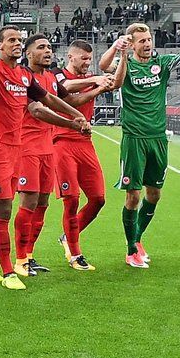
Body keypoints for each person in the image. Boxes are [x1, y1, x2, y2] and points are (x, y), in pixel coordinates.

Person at [0, 30, 93, 282]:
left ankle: (9, 260)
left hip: (37, 148)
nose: (48, 51)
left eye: (50, 46)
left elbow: (53, 98)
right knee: (8, 207)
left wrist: (77, 114)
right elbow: (38, 109)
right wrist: (73, 122)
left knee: (34, 205)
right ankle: (14, 264)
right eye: (41, 47)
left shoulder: (36, 77)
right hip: (15, 148)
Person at [109, 20, 180, 268]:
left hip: (158, 138)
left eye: (149, 40)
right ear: (132, 44)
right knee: (133, 196)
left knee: (154, 194)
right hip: (134, 138)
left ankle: (137, 238)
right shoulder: (124, 65)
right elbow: (108, 71)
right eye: (142, 41)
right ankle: (130, 249)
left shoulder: (163, 64)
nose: (147, 44)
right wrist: (119, 53)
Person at [54, 39, 120, 269]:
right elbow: (68, 95)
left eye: (89, 60)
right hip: (61, 141)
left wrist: (123, 55)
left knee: (98, 198)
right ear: (70, 57)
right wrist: (96, 83)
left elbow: (116, 83)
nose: (87, 63)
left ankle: (67, 236)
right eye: (83, 58)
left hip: (85, 142)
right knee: (71, 199)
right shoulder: (56, 74)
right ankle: (75, 253)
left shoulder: (91, 79)